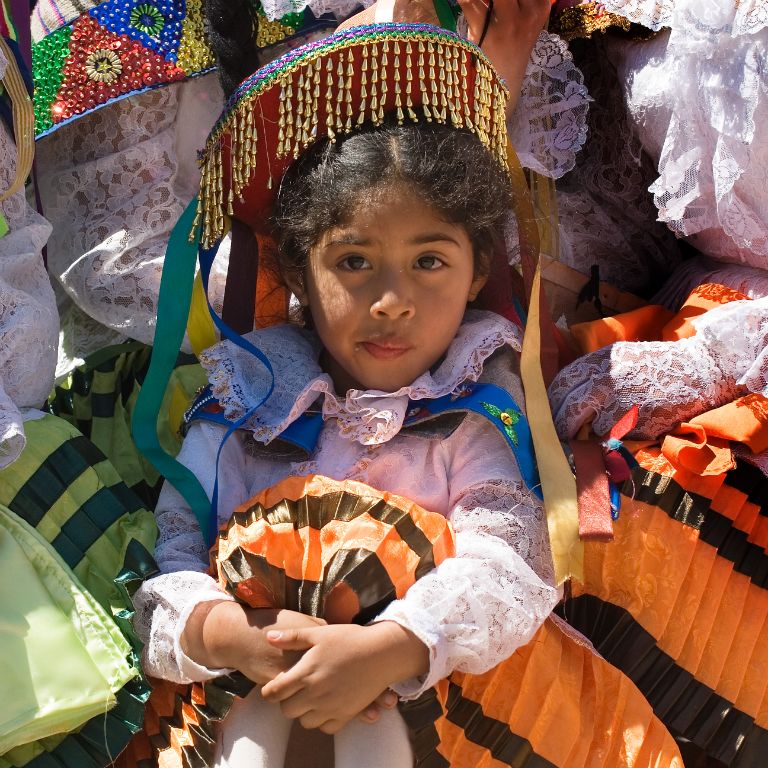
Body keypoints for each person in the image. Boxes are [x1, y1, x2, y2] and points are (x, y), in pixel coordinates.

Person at [130, 18, 685, 768]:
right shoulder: (246, 407)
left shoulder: (475, 413)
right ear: (298, 270)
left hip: (453, 721)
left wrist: (392, 647)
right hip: (250, 706)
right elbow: (173, 556)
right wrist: (225, 635)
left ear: (479, 266)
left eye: (429, 260)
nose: (392, 300)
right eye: (354, 261)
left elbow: (509, 559)